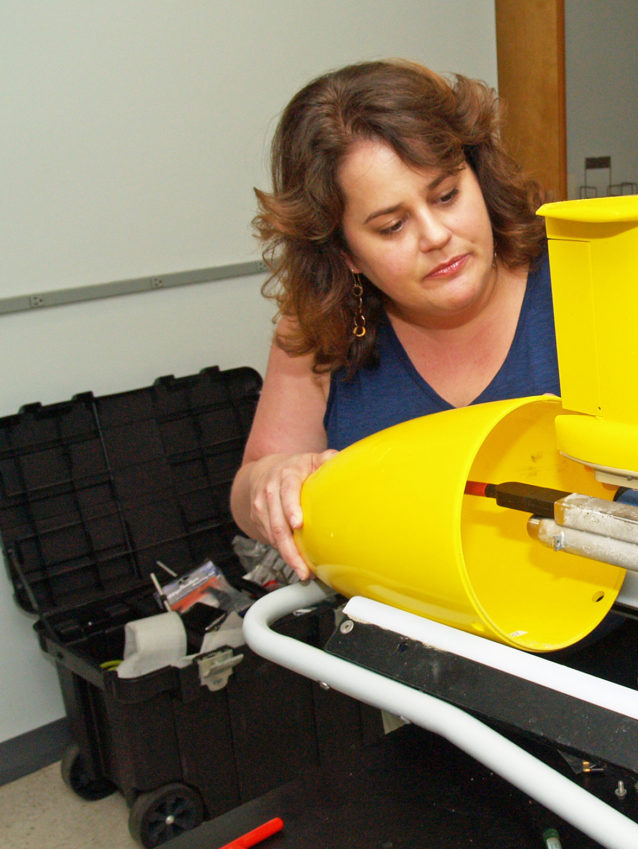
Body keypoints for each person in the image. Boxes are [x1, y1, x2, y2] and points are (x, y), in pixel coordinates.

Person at [230, 59, 558, 579]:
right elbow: (248, 490)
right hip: (402, 635)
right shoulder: (321, 326)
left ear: (478, 174)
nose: (434, 235)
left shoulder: (577, 284)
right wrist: (272, 483)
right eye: (391, 226)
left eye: (447, 195)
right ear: (345, 253)